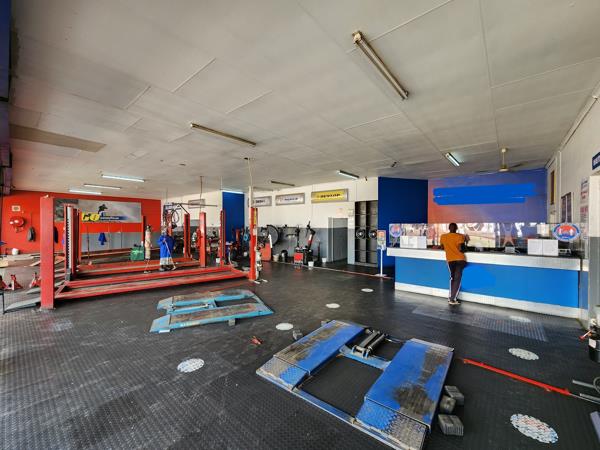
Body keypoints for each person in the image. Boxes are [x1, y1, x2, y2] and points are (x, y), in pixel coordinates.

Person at [440, 223, 468, 305]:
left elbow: (442, 247)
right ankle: (452, 299)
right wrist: (466, 241)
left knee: (452, 278)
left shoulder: (443, 236)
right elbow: (463, 250)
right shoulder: (460, 236)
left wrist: (449, 248)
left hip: (451, 260)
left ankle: (451, 298)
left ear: (449, 228)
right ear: (456, 228)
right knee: (457, 278)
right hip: (460, 260)